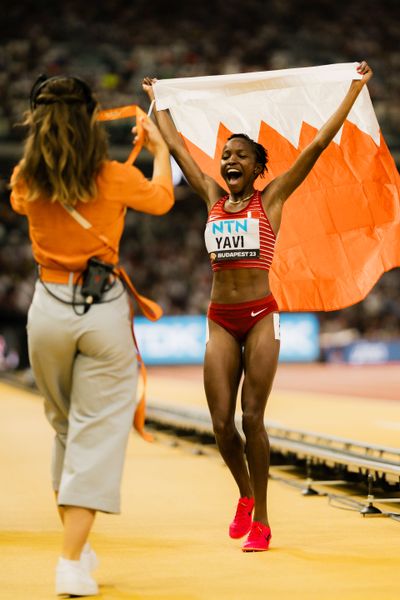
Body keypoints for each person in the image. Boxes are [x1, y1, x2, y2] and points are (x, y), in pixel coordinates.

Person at [143, 61, 373, 552]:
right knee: (221, 423)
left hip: (261, 315)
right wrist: (158, 100)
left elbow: (315, 146)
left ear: (255, 167)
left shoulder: (271, 200)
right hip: (220, 321)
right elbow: (180, 147)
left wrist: (353, 90)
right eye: (225, 154)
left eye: (240, 155)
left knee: (252, 419)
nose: (229, 160)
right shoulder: (208, 193)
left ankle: (263, 520)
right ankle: (245, 496)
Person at [9, 74, 174, 595]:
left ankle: (76, 546)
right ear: (92, 116)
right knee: (95, 434)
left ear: (36, 121)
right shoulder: (113, 176)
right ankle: (69, 562)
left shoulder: (23, 179)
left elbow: (42, 192)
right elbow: (164, 199)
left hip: (48, 309)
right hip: (100, 310)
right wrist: (161, 148)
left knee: (65, 428)